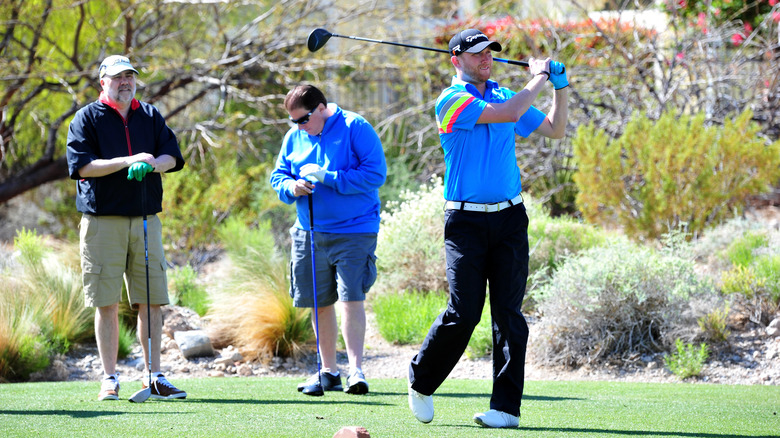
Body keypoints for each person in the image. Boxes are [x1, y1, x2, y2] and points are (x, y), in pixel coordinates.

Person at [407, 29, 569, 428]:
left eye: (490, 52)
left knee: (510, 315)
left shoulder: (502, 93)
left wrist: (560, 88)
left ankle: (505, 409)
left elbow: (553, 129)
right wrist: (539, 76)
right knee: (464, 312)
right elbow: (511, 114)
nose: (486, 58)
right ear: (456, 59)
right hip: (465, 221)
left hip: (510, 218)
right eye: (477, 53)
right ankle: (422, 380)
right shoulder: (451, 100)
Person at [66, 55, 187, 401]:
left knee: (151, 300)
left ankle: (154, 376)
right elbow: (83, 167)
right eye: (118, 77)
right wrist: (127, 162)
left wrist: (151, 164)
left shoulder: (149, 115)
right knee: (105, 302)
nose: (125, 82)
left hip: (147, 219)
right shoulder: (86, 118)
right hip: (103, 221)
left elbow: (172, 156)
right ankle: (109, 378)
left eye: (130, 76)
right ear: (102, 82)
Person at [270, 84, 387, 395]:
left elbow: (376, 174)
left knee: (351, 299)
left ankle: (357, 372)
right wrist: (291, 187)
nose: (299, 126)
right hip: (308, 231)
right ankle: (328, 371)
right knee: (319, 302)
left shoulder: (354, 127)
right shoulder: (294, 135)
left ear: (322, 108)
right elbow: (278, 176)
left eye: (304, 119)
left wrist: (328, 177)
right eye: (293, 121)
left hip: (354, 229)